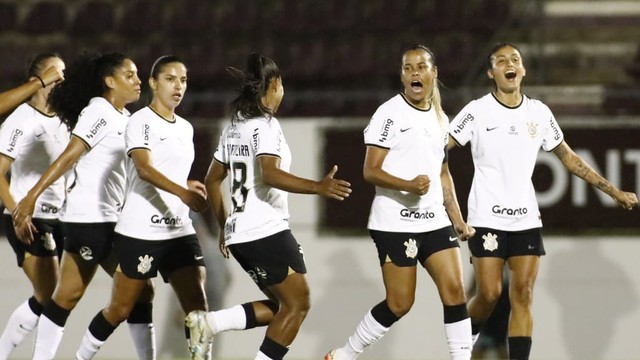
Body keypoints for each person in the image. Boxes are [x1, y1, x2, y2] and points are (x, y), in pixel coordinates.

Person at [447, 42, 639, 360]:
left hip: (525, 219)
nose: (510, 64)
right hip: (486, 218)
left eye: (516, 60)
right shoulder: (477, 111)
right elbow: (441, 148)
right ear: (491, 72)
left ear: (522, 70)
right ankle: (459, 343)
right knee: (490, 293)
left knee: (522, 293)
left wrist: (613, 191)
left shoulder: (538, 112)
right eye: (502, 60)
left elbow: (568, 157)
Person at [191, 52, 352, 360]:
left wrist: (226, 224)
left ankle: (209, 322)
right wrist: (318, 187)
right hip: (265, 230)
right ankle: (210, 324)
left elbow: (212, 180)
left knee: (283, 306)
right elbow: (270, 172)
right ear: (275, 84)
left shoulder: (234, 127)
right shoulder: (266, 126)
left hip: (241, 234)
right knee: (299, 304)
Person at [325, 44, 474, 360]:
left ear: (433, 73)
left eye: (421, 66)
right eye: (408, 68)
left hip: (435, 220)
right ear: (402, 76)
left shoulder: (440, 117)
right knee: (400, 303)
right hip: (395, 221)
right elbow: (371, 170)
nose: (414, 72)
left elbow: (443, 172)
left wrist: (457, 219)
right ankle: (345, 354)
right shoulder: (389, 114)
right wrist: (408, 185)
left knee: (456, 292)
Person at [11, 52, 156, 360]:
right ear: (109, 82)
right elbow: (69, 156)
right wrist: (31, 196)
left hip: (104, 220)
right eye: (129, 75)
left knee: (65, 297)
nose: (138, 80)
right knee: (137, 288)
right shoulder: (99, 112)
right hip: (92, 219)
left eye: (137, 74)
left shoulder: (126, 118)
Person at [72, 55, 210, 360]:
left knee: (199, 312)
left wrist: (187, 185)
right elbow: (145, 169)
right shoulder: (140, 121)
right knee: (120, 309)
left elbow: (167, 169)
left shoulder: (185, 128)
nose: (178, 86)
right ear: (153, 83)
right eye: (170, 79)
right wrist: (182, 192)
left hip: (179, 230)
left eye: (183, 80)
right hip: (140, 231)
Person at [0, 54, 68, 359]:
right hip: (28, 218)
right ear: (39, 80)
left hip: (62, 217)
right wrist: (17, 212)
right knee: (50, 294)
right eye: (57, 72)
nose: (63, 78)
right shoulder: (21, 119)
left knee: (49, 297)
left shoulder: (67, 118)